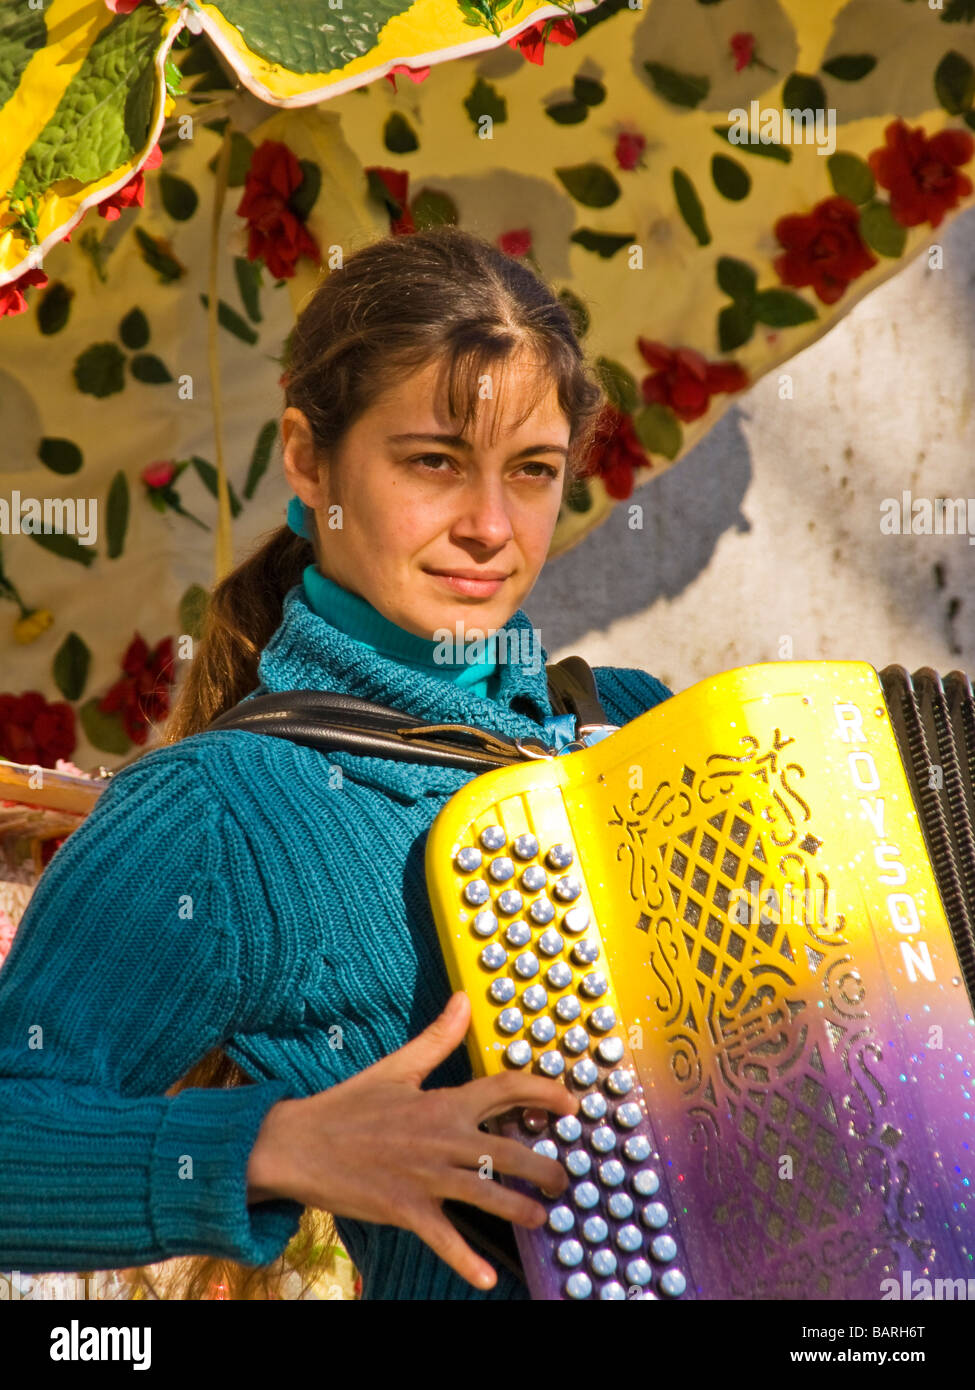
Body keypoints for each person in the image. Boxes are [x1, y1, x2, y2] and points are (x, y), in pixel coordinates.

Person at [0, 226, 673, 1301]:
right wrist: (278, 1145)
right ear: (310, 460)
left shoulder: (637, 728)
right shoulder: (220, 814)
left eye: (533, 472)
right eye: (435, 462)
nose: (491, 526)